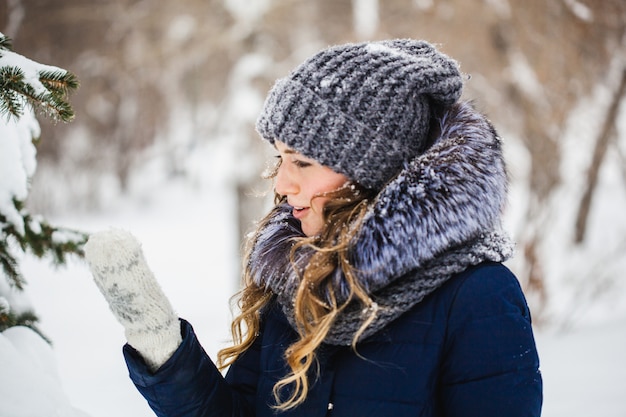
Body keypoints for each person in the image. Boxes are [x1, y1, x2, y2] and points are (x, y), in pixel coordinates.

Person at [84, 39, 542, 417]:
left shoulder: (478, 298)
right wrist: (162, 348)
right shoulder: (300, 277)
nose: (283, 184)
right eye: (280, 158)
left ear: (374, 171)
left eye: (302, 161)